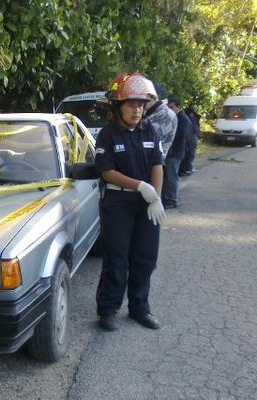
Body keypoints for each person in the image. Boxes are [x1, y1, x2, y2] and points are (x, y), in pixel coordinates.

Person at [94, 72, 166, 332]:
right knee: (116, 258)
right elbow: (106, 171)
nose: (137, 110)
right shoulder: (108, 135)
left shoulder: (150, 130)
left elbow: (158, 164)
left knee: (145, 258)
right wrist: (140, 186)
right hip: (118, 203)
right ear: (118, 106)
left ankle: (139, 308)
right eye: (131, 104)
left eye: (140, 104)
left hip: (146, 205)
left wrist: (154, 196)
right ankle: (108, 310)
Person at [163, 97, 192, 208]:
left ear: (178, 107)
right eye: (168, 108)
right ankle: (166, 198)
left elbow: (180, 136)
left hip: (175, 153)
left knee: (171, 177)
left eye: (172, 107)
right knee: (167, 177)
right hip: (170, 152)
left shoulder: (183, 119)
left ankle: (171, 200)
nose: (170, 110)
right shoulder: (173, 117)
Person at [143, 82, 178, 157]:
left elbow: (147, 140)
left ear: (151, 96)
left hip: (153, 163)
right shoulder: (150, 112)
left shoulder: (165, 115)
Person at [179, 104, 201, 176]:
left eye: (195, 107)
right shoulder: (186, 116)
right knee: (187, 154)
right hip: (188, 137)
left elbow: (197, 126)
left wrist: (198, 134)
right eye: (193, 107)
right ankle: (184, 169)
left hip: (194, 136)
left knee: (191, 154)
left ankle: (189, 167)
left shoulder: (195, 116)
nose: (194, 109)